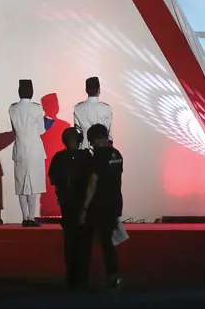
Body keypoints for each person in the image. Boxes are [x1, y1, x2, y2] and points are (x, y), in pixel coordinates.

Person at [77, 123, 124, 290]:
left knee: (86, 241)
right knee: (108, 242)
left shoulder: (97, 157)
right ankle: (113, 275)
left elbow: (92, 184)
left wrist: (84, 208)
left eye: (91, 141)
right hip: (114, 202)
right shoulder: (116, 154)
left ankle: (82, 279)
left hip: (98, 205)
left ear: (95, 140)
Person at [48, 127, 89, 290]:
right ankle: (78, 276)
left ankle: (74, 277)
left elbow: (54, 179)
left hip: (72, 203)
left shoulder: (60, 158)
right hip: (76, 204)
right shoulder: (86, 157)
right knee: (77, 240)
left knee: (74, 240)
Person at [9, 79, 46, 226]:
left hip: (19, 149)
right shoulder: (36, 108)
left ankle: (25, 217)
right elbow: (41, 130)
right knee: (33, 185)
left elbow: (14, 128)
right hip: (34, 149)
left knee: (21, 184)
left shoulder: (12, 108)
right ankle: (31, 216)